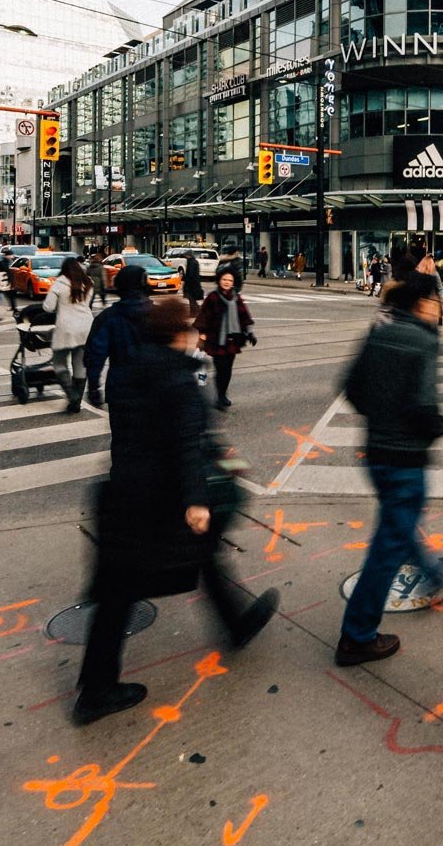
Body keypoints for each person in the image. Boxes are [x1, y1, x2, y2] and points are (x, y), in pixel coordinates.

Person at [75, 297, 280, 724]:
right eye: (190, 328)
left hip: (126, 490)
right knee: (127, 590)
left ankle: (236, 622)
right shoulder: (177, 377)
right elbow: (186, 442)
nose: (197, 334)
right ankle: (95, 691)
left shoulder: (130, 368)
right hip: (161, 499)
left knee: (174, 568)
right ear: (175, 335)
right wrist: (196, 500)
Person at [336, 274, 443, 665]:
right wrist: (442, 426)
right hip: (405, 459)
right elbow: (423, 407)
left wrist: (381, 418)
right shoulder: (425, 341)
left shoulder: (378, 331)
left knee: (397, 526)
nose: (440, 307)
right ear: (423, 304)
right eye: (437, 301)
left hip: (375, 451)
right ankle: (356, 635)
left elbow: (351, 388)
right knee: (387, 548)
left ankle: (433, 567)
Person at [85, 265, 152, 410]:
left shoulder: (108, 318)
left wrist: (93, 386)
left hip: (120, 389)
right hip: (154, 389)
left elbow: (94, 355)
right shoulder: (160, 316)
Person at [194, 270, 255, 410]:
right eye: (224, 279)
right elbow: (204, 316)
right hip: (217, 339)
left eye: (230, 280)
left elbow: (244, 316)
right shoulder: (213, 297)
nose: (227, 282)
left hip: (233, 340)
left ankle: (223, 394)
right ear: (219, 280)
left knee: (227, 370)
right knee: (220, 368)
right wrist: (202, 333)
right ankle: (220, 396)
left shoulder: (236, 298)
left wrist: (250, 333)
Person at [41, 257, 95, 414]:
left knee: (59, 363)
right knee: (80, 364)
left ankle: (72, 395)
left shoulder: (59, 283)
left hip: (66, 328)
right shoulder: (88, 283)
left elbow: (48, 307)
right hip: (86, 326)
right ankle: (76, 402)